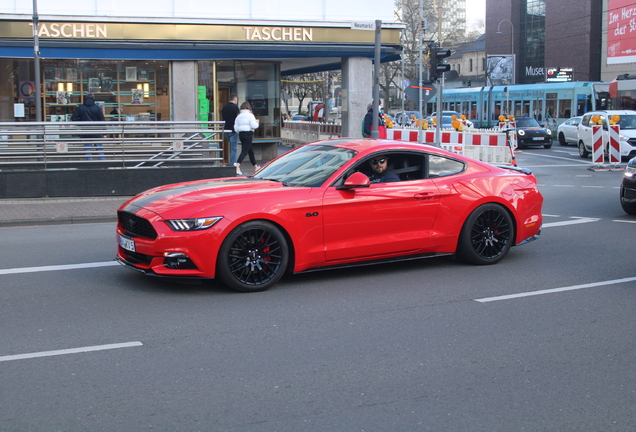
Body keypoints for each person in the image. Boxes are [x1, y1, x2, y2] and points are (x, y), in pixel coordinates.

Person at [71, 92, 105, 160]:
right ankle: (102, 163)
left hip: (85, 130)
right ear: (93, 98)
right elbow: (102, 120)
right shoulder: (97, 108)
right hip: (96, 131)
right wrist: (104, 132)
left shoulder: (80, 108)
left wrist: (81, 123)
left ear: (85, 98)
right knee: (99, 148)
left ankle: (89, 164)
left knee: (87, 148)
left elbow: (73, 118)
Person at [234, 101, 260, 175]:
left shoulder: (238, 116)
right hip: (248, 134)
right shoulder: (250, 115)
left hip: (241, 134)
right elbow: (254, 126)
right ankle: (237, 166)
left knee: (250, 151)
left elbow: (235, 127)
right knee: (245, 151)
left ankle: (256, 166)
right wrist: (257, 122)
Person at [221, 93, 240, 166]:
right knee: (233, 148)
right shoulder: (235, 108)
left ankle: (231, 162)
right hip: (233, 130)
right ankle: (233, 163)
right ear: (235, 99)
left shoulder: (224, 107)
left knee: (231, 147)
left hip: (226, 129)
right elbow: (238, 118)